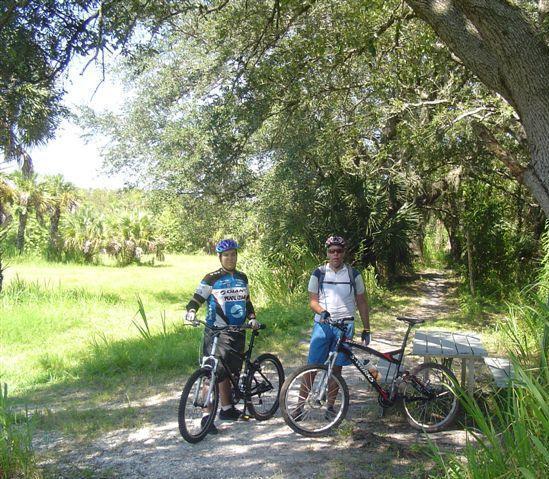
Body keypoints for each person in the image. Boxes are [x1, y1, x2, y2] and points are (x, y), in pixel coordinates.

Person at [185, 238, 259, 434]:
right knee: (211, 372)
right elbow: (196, 299)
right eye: (226, 255)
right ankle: (206, 416)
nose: (230, 258)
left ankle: (226, 409)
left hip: (238, 331)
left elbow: (247, 302)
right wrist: (191, 311)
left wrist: (252, 317)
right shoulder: (211, 278)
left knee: (228, 372)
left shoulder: (243, 278)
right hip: (216, 331)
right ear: (219, 257)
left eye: (233, 254)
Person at [294, 235, 371, 420]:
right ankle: (299, 406)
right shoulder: (318, 273)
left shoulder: (354, 274)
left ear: (344, 253)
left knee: (336, 369)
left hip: (345, 326)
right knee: (312, 366)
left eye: (339, 251)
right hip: (323, 325)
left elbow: (361, 302)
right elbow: (313, 301)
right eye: (331, 251)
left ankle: (330, 407)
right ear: (327, 253)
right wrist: (323, 312)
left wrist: (367, 328)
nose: (335, 254)